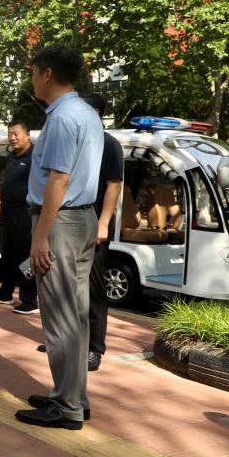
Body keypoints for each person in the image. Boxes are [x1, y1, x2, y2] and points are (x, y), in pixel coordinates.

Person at [15, 44, 103, 430]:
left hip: (61, 222)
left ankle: (67, 406)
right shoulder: (84, 113)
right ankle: (73, 396)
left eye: (34, 71)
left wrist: (40, 237)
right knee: (76, 316)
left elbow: (59, 179)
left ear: (47, 73)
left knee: (60, 318)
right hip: (81, 219)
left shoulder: (64, 117)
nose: (31, 78)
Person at [83, 93, 124, 372]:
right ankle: (68, 339)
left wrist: (103, 222)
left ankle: (94, 347)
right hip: (72, 221)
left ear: (95, 113)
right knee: (68, 287)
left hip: (95, 222)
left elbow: (114, 184)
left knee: (94, 286)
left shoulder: (108, 144)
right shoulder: (80, 142)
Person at [0, 118, 38, 314]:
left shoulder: (36, 156)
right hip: (7, 211)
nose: (12, 138)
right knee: (7, 254)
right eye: (9, 134)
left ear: (27, 135)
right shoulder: (11, 156)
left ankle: (29, 299)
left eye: (16, 134)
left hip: (25, 212)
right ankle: (5, 293)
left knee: (25, 256)